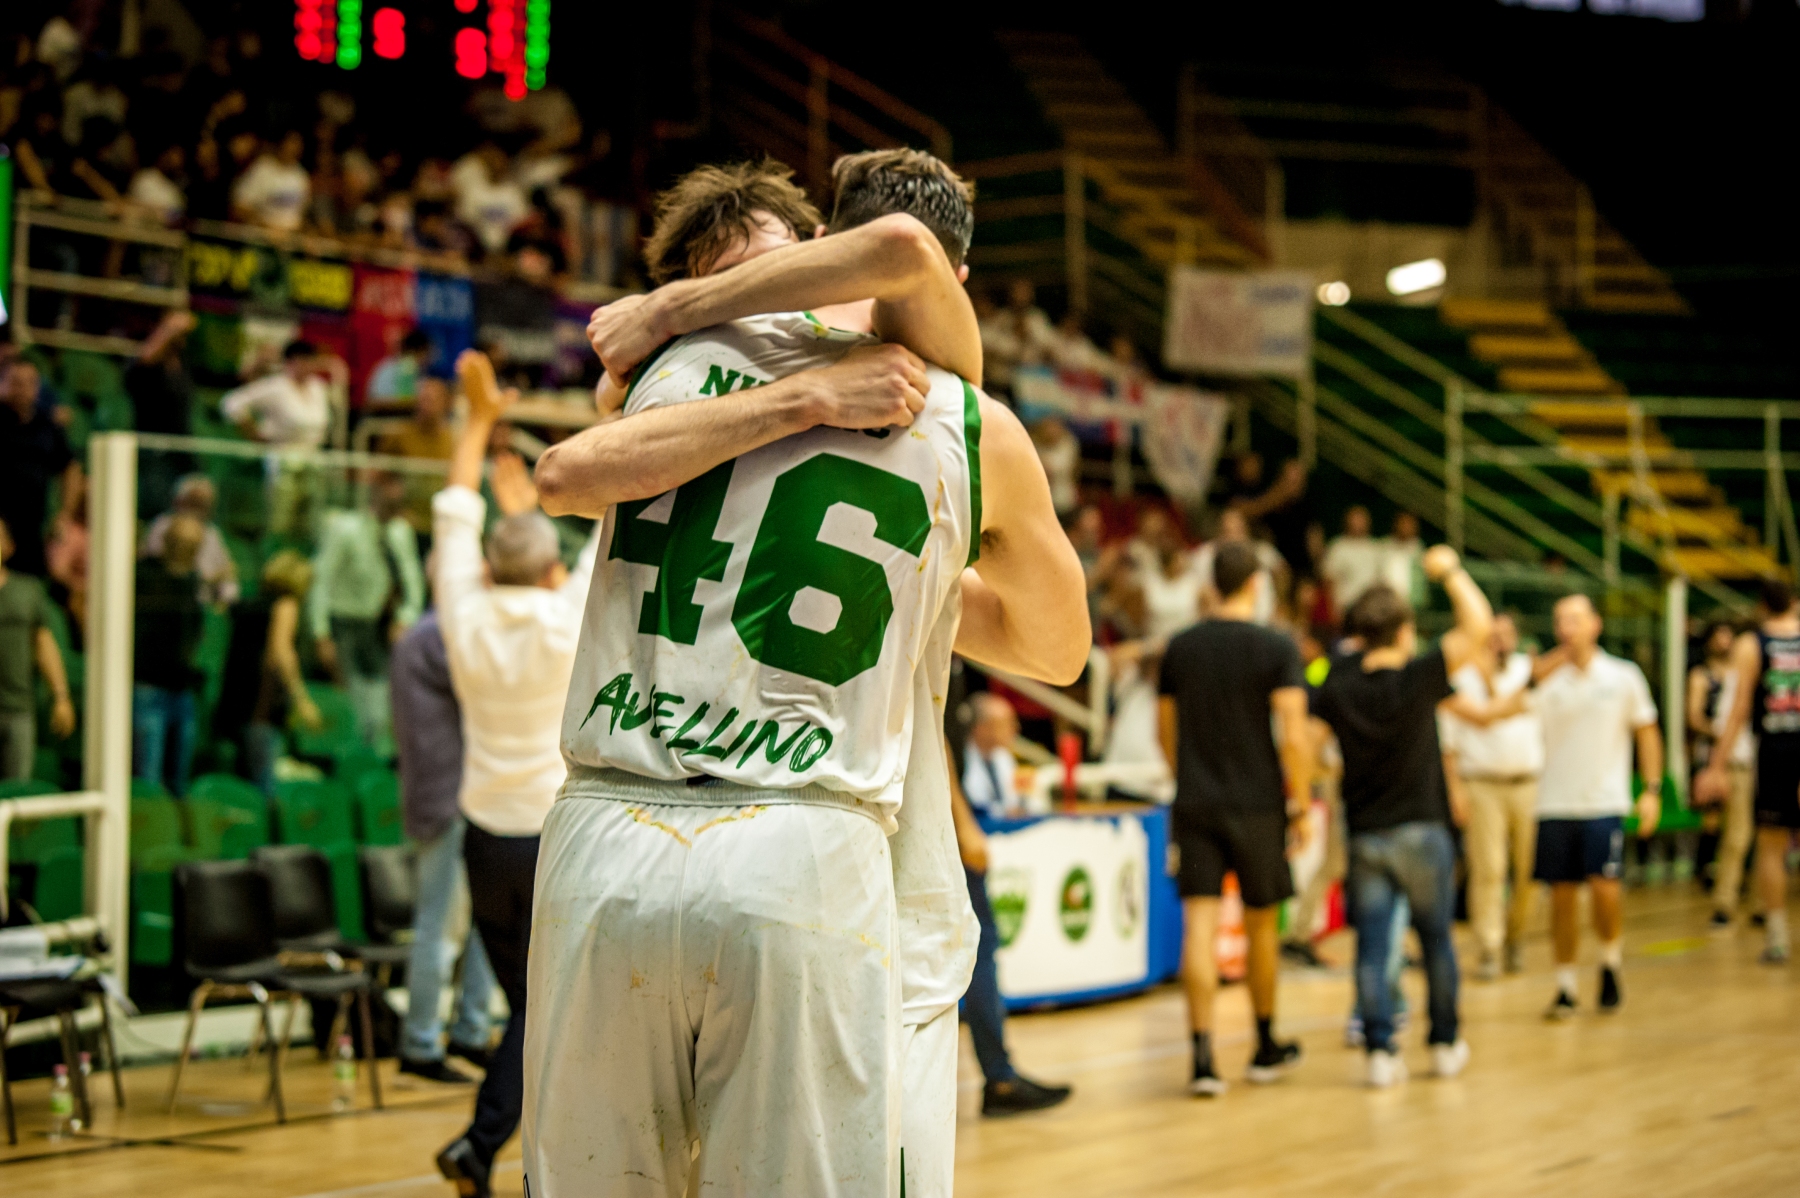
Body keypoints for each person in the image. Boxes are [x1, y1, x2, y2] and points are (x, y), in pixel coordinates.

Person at [529, 151, 1088, 1197]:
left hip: (604, 823)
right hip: (806, 838)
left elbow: (557, 473)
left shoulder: (670, 371)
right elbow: (1060, 650)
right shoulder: (965, 417)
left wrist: (659, 317)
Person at [432, 351, 599, 1197]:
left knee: (532, 1011)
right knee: (547, 1016)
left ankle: (496, 1151)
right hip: (549, 844)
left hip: (483, 846)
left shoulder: (460, 613)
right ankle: (489, 1147)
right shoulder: (567, 618)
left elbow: (455, 512)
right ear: (550, 568)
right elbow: (617, 516)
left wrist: (477, 423)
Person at [1309, 547, 1489, 1087]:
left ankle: (1380, 1051)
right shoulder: (1421, 676)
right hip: (1424, 827)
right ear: (1405, 631)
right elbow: (1477, 625)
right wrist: (1452, 572)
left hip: (1366, 831)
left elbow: (1311, 746)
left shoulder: (1337, 685)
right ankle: (1443, 1042)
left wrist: (1328, 768)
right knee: (1435, 940)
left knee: (1371, 943)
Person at [1157, 541, 1311, 1096]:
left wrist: (1188, 776)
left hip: (1195, 800)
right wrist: (1300, 799)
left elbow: (1164, 729)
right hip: (1258, 803)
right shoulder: (1275, 646)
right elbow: (1293, 734)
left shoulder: (1181, 646)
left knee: (1199, 924)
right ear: (1254, 584)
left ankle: (1202, 1059)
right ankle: (1264, 1044)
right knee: (1261, 924)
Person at [1529, 594, 1662, 1016]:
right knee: (1562, 899)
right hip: (1554, 803)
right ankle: (1565, 986)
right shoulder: (1544, 680)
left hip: (1605, 801)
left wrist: (1652, 789)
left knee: (1605, 891)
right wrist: (1539, 671)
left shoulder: (1623, 677)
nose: (1566, 627)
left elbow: (1647, 731)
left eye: (1574, 619)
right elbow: (1511, 704)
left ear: (1595, 625)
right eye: (1559, 620)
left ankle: (1609, 961)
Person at [390, 607, 497, 1084]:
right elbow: (499, 680)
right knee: (441, 926)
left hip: (460, 795)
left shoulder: (431, 633)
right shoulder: (438, 636)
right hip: (450, 799)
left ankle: (471, 1032)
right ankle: (422, 1042)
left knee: (482, 924)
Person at [950, 734, 1073, 1115]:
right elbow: (931, 738)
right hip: (936, 825)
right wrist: (963, 822)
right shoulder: (933, 676)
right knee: (979, 947)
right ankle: (1000, 1079)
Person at [1697, 579, 1800, 964]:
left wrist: (1716, 764)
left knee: (1771, 847)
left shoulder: (1752, 644)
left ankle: (1777, 938)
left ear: (1761, 606)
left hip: (1774, 750)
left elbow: (1739, 707)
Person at [1440, 611, 1543, 979]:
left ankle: (1515, 937)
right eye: (1492, 635)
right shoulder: (1459, 678)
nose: (1499, 641)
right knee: (1489, 869)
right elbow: (1448, 743)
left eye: (1506, 634)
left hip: (1528, 783)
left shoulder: (1528, 673)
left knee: (1528, 871)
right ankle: (1489, 946)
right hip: (1481, 783)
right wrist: (1455, 790)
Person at [310, 475, 424, 747]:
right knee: (350, 700)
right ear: (374, 497)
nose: (394, 506)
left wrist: (406, 618)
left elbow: (412, 581)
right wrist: (320, 631)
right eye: (389, 500)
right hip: (343, 623)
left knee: (379, 701)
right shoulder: (344, 528)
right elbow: (322, 579)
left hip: (378, 625)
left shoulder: (400, 532)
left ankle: (374, 760)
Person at [211, 551, 321, 797]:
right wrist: (302, 700)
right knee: (263, 784)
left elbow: (218, 609)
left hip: (235, 700)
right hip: (261, 704)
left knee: (242, 779)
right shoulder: (286, 605)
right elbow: (281, 652)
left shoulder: (250, 605)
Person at [132, 514, 206, 796]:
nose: (185, 549)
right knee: (148, 778)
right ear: (166, 541)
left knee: (179, 783)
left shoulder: (191, 584)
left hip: (181, 689)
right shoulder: (145, 574)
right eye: (180, 541)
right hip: (148, 687)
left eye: (192, 544)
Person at [1688, 619, 1756, 926]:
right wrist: (1717, 760)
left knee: (1759, 836)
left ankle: (1759, 901)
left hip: (1756, 759)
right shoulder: (1707, 676)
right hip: (1730, 758)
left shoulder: (1750, 674)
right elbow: (1705, 717)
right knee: (1730, 831)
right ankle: (1723, 898)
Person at [0, 517, 77, 780]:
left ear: (9, 546)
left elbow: (43, 643)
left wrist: (61, 696)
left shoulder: (26, 590)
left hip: (18, 708)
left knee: (18, 794)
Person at [1, 356, 77, 580]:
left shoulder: (48, 426)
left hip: (33, 529)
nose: (22, 390)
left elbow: (69, 468)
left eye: (30, 383)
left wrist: (65, 515)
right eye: (15, 382)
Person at [142, 476, 239, 607]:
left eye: (203, 504)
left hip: (201, 605)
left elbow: (226, 575)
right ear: (179, 500)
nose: (198, 509)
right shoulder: (162, 525)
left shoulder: (211, 533)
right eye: (193, 502)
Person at [1193, 508, 1284, 626]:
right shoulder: (1203, 557)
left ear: (1246, 532)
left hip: (1253, 629)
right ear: (1218, 534)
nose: (1232, 538)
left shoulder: (1259, 559)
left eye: (1237, 531)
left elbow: (1281, 572)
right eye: (1227, 532)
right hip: (1214, 627)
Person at [231, 128, 310, 232]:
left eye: (298, 143)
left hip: (291, 240)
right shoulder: (262, 169)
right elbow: (239, 207)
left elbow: (300, 216)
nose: (294, 148)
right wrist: (265, 226)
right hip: (260, 238)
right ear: (281, 143)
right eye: (291, 142)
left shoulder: (301, 176)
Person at [1320, 506, 1386, 623]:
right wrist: (1333, 610)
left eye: (1361, 519)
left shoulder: (1375, 548)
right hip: (1346, 609)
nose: (1357, 523)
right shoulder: (1338, 547)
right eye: (1354, 519)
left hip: (1371, 612)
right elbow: (1328, 581)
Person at [962, 692, 1020, 816]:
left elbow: (1016, 801)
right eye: (1006, 724)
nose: (1015, 729)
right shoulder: (960, 759)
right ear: (981, 728)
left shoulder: (1003, 756)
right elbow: (976, 804)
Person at [367, 328, 436, 407]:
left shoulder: (420, 372)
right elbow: (378, 401)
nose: (429, 358)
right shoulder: (393, 369)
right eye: (427, 353)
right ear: (419, 351)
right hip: (386, 415)